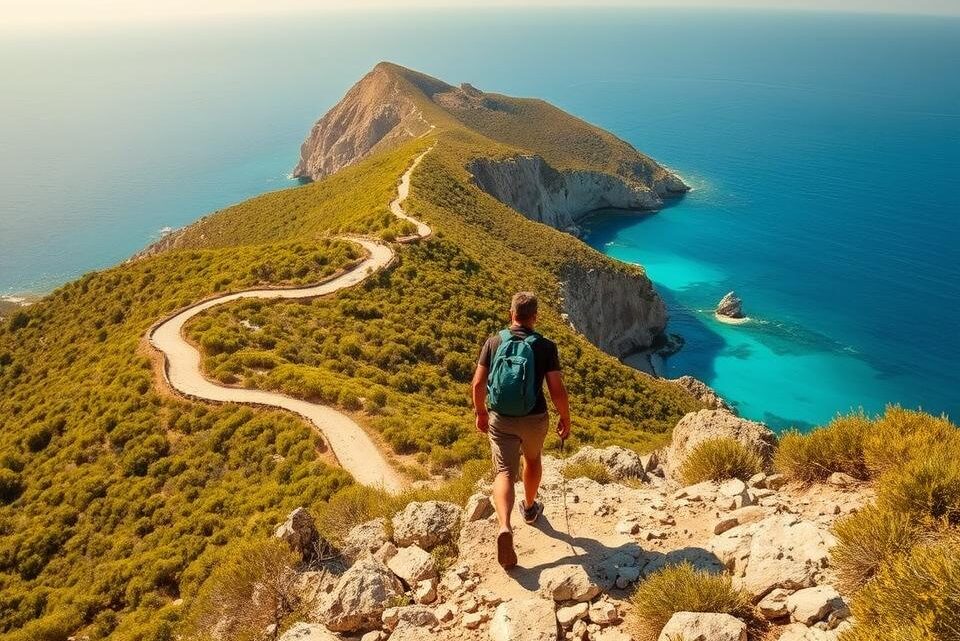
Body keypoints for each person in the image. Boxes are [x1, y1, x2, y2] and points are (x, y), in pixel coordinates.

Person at [471, 291, 571, 569]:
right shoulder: (545, 346)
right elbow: (556, 389)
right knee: (533, 459)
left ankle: (505, 525)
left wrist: (481, 413)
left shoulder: (494, 342)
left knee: (504, 472)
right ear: (535, 317)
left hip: (500, 418)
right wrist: (565, 418)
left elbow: (478, 384)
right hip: (534, 417)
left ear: (511, 314)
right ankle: (529, 508)